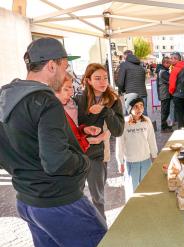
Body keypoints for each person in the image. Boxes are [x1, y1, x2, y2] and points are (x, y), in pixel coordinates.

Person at [0, 37, 107, 247]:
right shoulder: (46, 101)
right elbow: (56, 162)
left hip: (27, 201)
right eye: (65, 67)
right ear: (51, 66)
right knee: (106, 245)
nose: (66, 74)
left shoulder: (5, 95)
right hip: (59, 202)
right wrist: (84, 162)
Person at [76, 63, 125, 220]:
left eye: (105, 78)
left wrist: (106, 111)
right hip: (77, 154)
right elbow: (74, 127)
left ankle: (101, 228)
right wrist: (86, 133)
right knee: (76, 195)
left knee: (98, 197)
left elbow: (118, 131)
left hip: (98, 155)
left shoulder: (113, 100)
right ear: (88, 80)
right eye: (97, 78)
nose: (103, 82)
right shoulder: (78, 100)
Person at [116, 94, 158, 195]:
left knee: (147, 187)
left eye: (141, 105)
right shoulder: (124, 123)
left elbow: (151, 139)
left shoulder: (147, 121)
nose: (139, 109)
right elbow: (119, 144)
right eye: (136, 106)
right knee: (132, 189)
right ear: (129, 108)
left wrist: (155, 155)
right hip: (131, 162)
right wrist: (120, 162)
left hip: (146, 160)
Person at [55, 73, 108, 153]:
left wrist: (84, 130)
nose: (71, 93)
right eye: (66, 89)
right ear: (54, 90)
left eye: (72, 88)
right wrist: (90, 140)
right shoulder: (50, 113)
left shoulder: (69, 105)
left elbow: (73, 132)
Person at [116, 50, 148, 115]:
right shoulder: (141, 66)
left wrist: (122, 90)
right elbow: (143, 80)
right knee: (143, 117)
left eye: (124, 57)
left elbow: (120, 82)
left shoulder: (124, 65)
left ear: (126, 56)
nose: (124, 59)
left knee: (130, 118)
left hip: (131, 94)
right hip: (143, 94)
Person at [169, 52, 184, 128]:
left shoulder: (176, 69)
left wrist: (171, 92)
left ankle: (181, 129)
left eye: (171, 58)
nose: (170, 60)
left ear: (176, 59)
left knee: (179, 115)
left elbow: (172, 84)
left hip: (177, 94)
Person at [158, 56, 173, 132]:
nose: (170, 64)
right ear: (164, 63)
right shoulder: (163, 72)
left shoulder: (164, 70)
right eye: (169, 63)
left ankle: (165, 126)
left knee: (166, 111)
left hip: (165, 94)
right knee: (164, 111)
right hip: (164, 94)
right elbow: (170, 80)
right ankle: (163, 128)